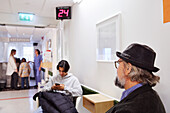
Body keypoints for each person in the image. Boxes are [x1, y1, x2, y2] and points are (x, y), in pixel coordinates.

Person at [106, 43, 166, 113]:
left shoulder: (128, 110)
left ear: (128, 68)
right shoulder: (152, 95)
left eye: (119, 63)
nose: (117, 69)